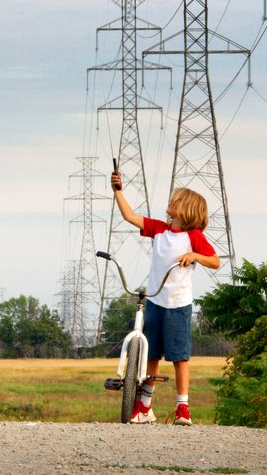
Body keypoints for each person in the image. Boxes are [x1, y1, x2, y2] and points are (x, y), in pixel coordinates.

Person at [110, 170, 220, 425]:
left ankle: (183, 408)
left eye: (177, 201)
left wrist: (195, 256)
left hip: (178, 305)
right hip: (156, 301)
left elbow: (214, 261)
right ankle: (145, 406)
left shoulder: (193, 237)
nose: (171, 203)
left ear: (188, 210)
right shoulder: (159, 230)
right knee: (152, 355)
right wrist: (117, 191)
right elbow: (129, 216)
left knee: (180, 357)